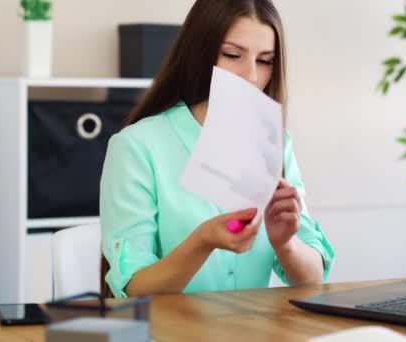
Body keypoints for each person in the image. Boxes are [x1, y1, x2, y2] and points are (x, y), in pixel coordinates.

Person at [100, 0, 335, 298]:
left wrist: (286, 243)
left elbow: (314, 282)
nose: (251, 76)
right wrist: (202, 241)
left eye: (265, 61)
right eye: (232, 55)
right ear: (200, 54)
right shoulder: (136, 147)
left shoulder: (276, 142)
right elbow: (133, 288)